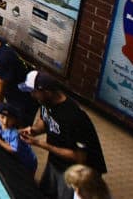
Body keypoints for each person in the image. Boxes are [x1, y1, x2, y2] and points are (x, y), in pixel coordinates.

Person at [19, 71, 107, 199]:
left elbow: (79, 157)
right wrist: (33, 130)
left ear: (46, 91)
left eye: (33, 91)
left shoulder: (73, 117)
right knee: (45, 192)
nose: (31, 95)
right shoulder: (45, 102)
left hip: (78, 172)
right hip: (56, 162)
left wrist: (40, 144)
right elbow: (45, 121)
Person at [0, 102, 38, 173]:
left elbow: (13, 149)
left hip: (28, 161)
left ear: (15, 120)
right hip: (19, 157)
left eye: (9, 119)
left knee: (26, 176)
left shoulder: (14, 134)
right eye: (2, 117)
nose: (5, 122)